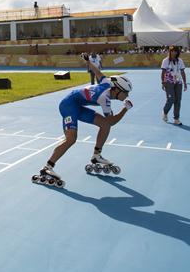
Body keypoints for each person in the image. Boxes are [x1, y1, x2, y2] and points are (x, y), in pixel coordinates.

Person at [32, 54, 133, 187]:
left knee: (104, 125)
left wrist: (88, 61)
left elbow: (97, 72)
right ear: (117, 90)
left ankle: (96, 156)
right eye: (125, 92)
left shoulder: (107, 83)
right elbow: (112, 121)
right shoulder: (104, 99)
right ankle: (47, 167)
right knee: (71, 139)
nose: (127, 95)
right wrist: (125, 109)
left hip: (78, 105)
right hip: (68, 105)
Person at [161, 45, 187, 125]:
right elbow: (163, 73)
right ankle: (165, 112)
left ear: (177, 52)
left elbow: (182, 72)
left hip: (178, 82)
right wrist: (163, 82)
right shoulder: (165, 61)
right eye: (172, 51)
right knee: (171, 99)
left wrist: (185, 83)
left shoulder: (180, 61)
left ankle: (176, 119)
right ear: (170, 52)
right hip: (169, 82)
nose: (174, 53)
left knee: (178, 101)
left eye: (175, 51)